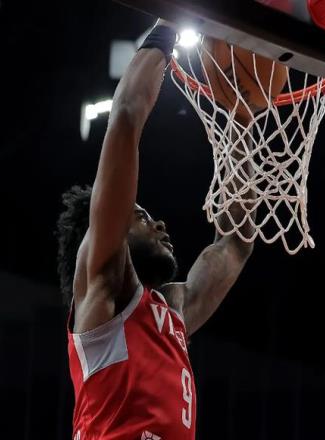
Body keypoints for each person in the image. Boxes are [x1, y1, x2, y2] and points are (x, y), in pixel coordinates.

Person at [55, 18, 254, 440]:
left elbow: (236, 243)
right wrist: (168, 26)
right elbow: (126, 116)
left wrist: (240, 120)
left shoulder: (172, 310)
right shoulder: (102, 287)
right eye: (141, 215)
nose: (159, 223)